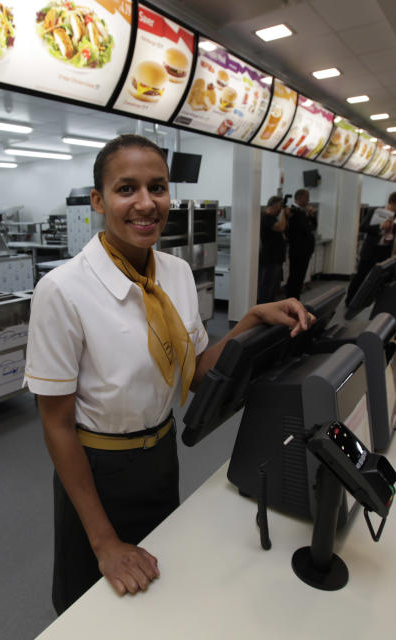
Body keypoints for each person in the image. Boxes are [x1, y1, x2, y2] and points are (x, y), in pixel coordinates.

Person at [24, 135, 313, 615]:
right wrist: (103, 542)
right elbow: (56, 424)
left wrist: (250, 322)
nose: (145, 203)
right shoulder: (62, 290)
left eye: (157, 187)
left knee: (157, 594)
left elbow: (197, 373)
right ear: (98, 200)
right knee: (89, 607)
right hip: (97, 471)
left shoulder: (176, 273)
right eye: (126, 189)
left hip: (161, 456)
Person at [346, 191, 396, 305]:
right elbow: (363, 227)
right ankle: (350, 300)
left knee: (381, 277)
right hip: (371, 249)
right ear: (392, 202)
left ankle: (371, 300)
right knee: (361, 275)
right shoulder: (375, 211)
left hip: (385, 250)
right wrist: (380, 227)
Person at [283, 188, 317, 299]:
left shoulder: (303, 212)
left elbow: (313, 227)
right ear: (300, 197)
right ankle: (291, 298)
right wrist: (308, 224)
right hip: (298, 250)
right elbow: (304, 229)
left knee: (300, 276)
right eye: (307, 197)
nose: (309, 200)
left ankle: (296, 298)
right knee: (295, 276)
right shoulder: (292, 211)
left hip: (305, 250)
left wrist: (311, 215)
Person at [258, 195, 288, 303]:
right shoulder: (266, 217)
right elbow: (280, 227)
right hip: (270, 259)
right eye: (280, 207)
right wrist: (284, 213)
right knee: (267, 287)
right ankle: (264, 310)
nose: (280, 210)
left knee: (273, 287)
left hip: (276, 258)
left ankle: (269, 309)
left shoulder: (272, 218)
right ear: (275, 205)